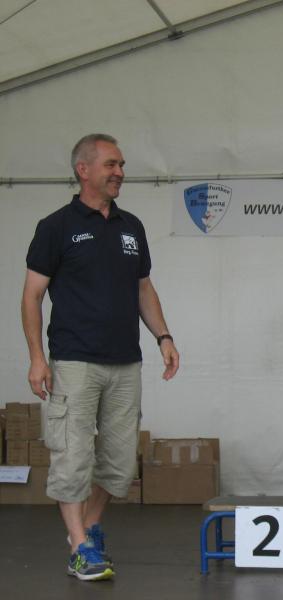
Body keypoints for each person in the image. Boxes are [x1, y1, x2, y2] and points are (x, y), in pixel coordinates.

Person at [21, 133, 180, 581]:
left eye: (122, 165)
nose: (120, 173)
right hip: (74, 362)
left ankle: (89, 527)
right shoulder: (56, 227)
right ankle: (78, 547)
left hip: (125, 362)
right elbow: (32, 296)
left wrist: (164, 336)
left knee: (119, 464)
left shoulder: (131, 226)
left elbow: (143, 288)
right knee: (72, 458)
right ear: (83, 170)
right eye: (111, 165)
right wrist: (37, 358)